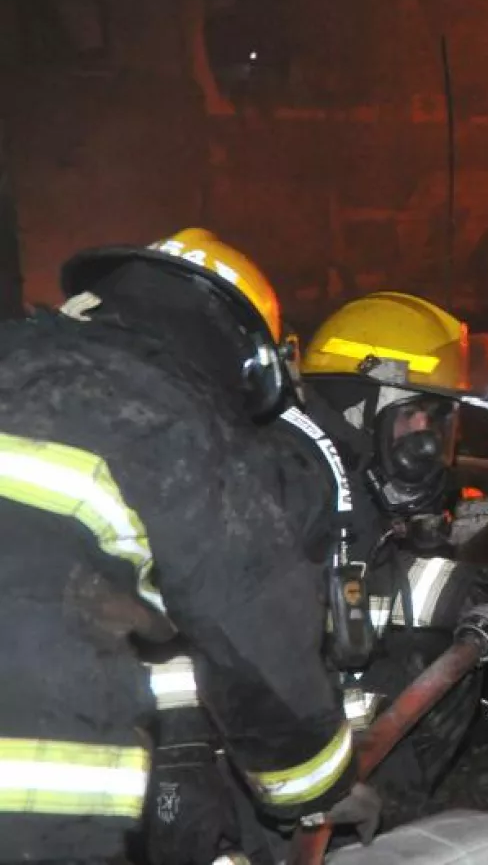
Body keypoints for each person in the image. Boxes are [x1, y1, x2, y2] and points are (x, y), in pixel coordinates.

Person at [0, 228, 370, 861]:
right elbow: (255, 636)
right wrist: (319, 785)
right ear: (245, 360)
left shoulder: (13, 359)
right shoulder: (176, 422)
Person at [296, 290, 488, 800]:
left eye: (438, 422)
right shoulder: (309, 498)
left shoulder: (355, 491)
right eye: (412, 417)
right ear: (355, 410)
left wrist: (480, 592)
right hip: (303, 769)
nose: (427, 443)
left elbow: (382, 586)